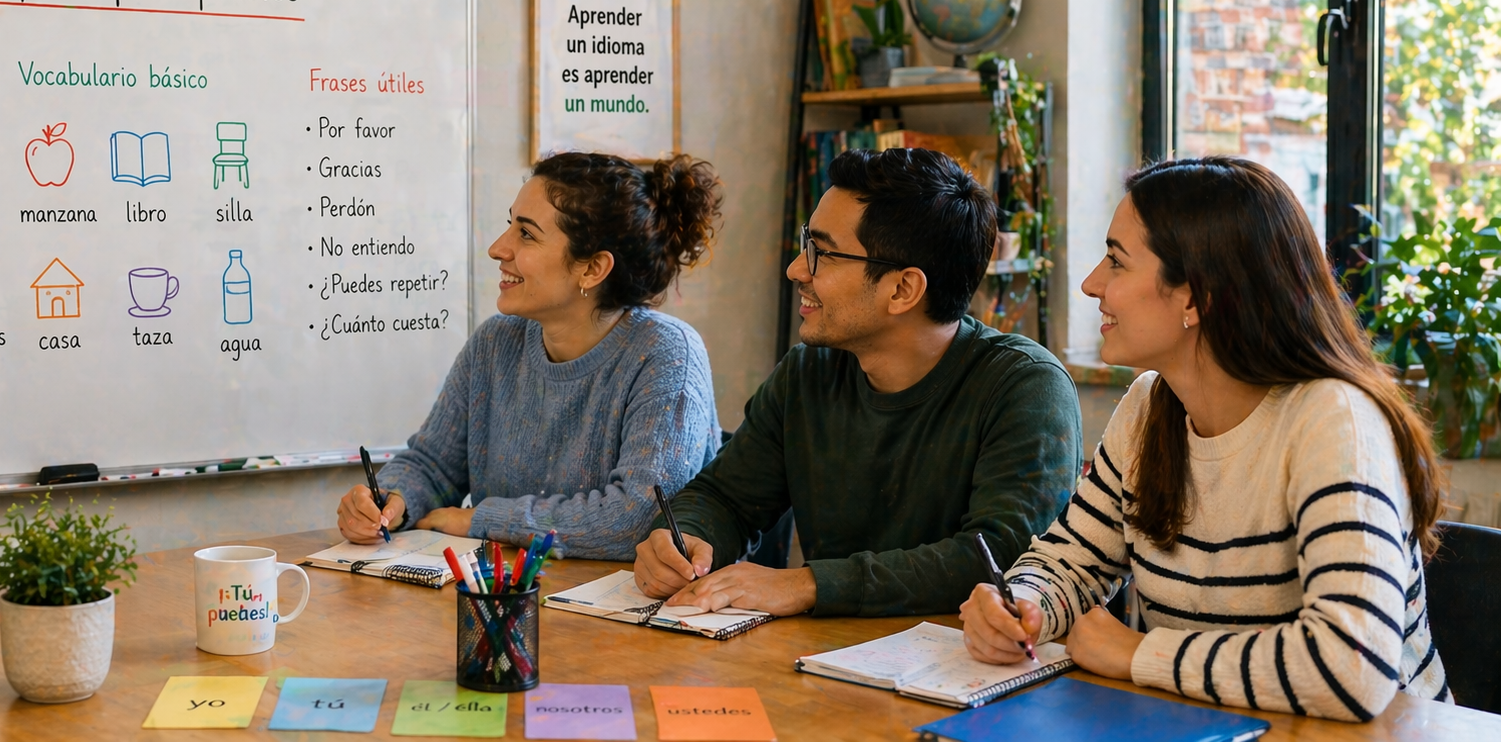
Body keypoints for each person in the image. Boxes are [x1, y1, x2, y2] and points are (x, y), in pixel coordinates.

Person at [959, 157, 1452, 720]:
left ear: (1195, 297)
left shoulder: (1335, 419)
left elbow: (1352, 669)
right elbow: (1071, 562)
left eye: (1116, 262)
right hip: (1201, 726)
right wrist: (1022, 605)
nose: (1092, 283)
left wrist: (1138, 653)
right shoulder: (1150, 405)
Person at [630, 148, 1081, 617]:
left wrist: (809, 585)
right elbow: (725, 498)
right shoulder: (809, 371)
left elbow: (998, 560)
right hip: (825, 661)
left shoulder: (1026, 388)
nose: (797, 270)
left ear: (903, 289)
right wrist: (684, 539)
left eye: (821, 253)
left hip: (975, 673)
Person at [335, 152, 724, 560]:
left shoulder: (667, 354)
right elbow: (432, 465)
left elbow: (637, 520)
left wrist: (481, 520)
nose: (497, 248)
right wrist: (390, 501)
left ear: (592, 269)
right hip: (506, 599)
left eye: (527, 234)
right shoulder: (496, 342)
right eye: (510, 225)